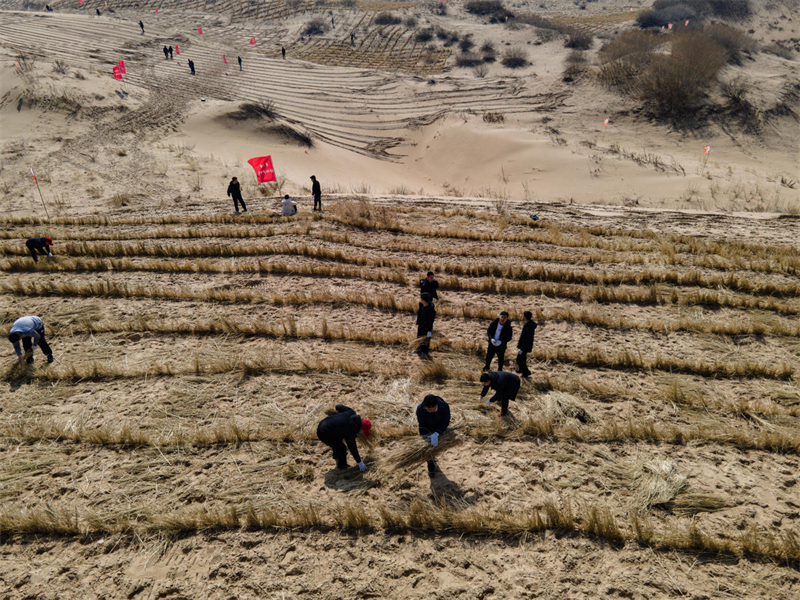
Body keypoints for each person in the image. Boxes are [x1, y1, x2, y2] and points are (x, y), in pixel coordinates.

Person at [316, 405, 371, 471]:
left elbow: (338, 406)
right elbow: (352, 448)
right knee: (341, 448)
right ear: (360, 428)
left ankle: (336, 456)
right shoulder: (349, 431)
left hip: (325, 422)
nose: (362, 433)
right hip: (324, 432)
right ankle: (342, 466)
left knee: (338, 441)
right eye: (363, 431)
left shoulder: (351, 412)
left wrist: (338, 418)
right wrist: (359, 462)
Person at [416, 394, 450, 478]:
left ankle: (433, 456)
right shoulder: (420, 409)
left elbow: (445, 421)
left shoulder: (444, 406)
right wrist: (426, 437)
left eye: (429, 409)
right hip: (426, 429)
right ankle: (431, 467)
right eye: (426, 408)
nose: (427, 410)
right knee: (428, 448)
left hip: (438, 428)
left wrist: (437, 433)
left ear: (435, 406)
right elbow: (422, 425)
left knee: (436, 445)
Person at [516, 310, 537, 379]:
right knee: (523, 358)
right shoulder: (529, 324)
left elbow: (526, 338)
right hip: (525, 345)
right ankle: (522, 370)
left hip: (525, 346)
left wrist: (521, 348)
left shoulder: (528, 326)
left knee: (519, 359)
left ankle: (526, 372)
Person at [414, 292, 435, 360]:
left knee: (425, 339)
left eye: (421, 299)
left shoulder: (431, 310)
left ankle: (425, 352)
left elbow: (431, 321)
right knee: (419, 337)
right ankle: (419, 349)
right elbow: (419, 312)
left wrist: (429, 330)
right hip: (421, 325)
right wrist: (418, 319)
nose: (420, 300)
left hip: (427, 326)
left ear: (424, 300)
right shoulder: (421, 305)